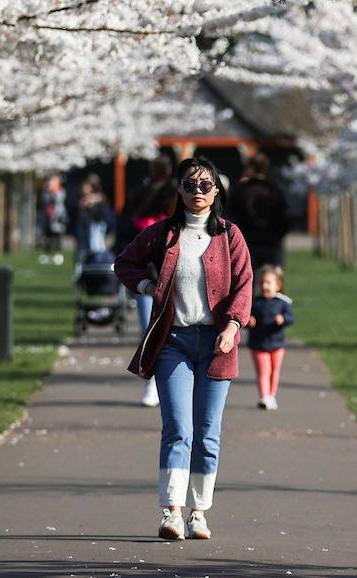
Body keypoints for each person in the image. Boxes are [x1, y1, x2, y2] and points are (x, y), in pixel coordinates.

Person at [114, 156, 253, 542]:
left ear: (216, 191)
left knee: (208, 433)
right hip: (172, 342)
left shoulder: (229, 235)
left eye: (205, 185)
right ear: (178, 189)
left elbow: (244, 286)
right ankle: (171, 512)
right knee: (178, 429)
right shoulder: (162, 234)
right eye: (189, 184)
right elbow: (124, 264)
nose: (197, 191)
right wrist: (146, 287)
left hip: (217, 343)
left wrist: (233, 325)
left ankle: (199, 514)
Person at [116, 154, 176, 407]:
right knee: (171, 333)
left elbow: (122, 229)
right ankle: (160, 385)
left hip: (147, 276)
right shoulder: (174, 201)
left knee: (150, 330)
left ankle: (153, 385)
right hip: (165, 273)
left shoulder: (137, 199)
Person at [228, 154, 290, 268]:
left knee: (247, 281)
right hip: (271, 243)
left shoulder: (241, 191)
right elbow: (284, 217)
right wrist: (277, 236)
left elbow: (230, 216)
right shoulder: (274, 190)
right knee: (271, 280)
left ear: (250, 168)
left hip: (246, 242)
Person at [246, 265, 293, 410]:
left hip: (277, 344)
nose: (265, 286)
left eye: (269, 283)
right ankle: (264, 396)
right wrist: (248, 320)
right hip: (258, 343)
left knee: (274, 371)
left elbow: (291, 318)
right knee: (263, 371)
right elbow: (244, 318)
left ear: (278, 285)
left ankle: (271, 395)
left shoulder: (283, 302)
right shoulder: (254, 302)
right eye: (262, 283)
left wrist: (283, 319)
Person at [74, 173, 114, 258]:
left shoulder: (99, 197)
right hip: (91, 223)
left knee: (96, 241)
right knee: (94, 241)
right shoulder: (89, 198)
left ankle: (99, 257)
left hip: (98, 221)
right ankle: (97, 257)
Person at [38, 173, 69, 264]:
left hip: (57, 217)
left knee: (57, 236)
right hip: (48, 217)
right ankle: (47, 254)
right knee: (48, 236)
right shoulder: (46, 191)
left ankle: (58, 255)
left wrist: (53, 191)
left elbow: (58, 200)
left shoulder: (60, 191)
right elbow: (44, 200)